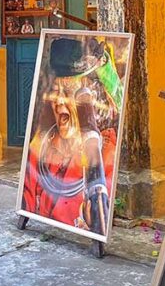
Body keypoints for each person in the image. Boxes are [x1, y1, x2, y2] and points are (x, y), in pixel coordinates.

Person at [21, 38, 119, 236]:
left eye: (69, 93)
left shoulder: (106, 149)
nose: (59, 102)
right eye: (56, 92)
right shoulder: (40, 147)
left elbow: (99, 200)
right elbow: (27, 196)